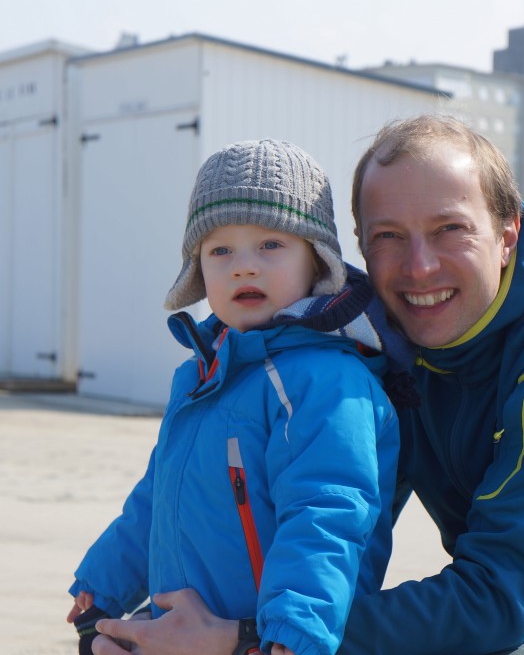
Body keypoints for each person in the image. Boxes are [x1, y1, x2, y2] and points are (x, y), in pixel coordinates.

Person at [88, 116, 524, 655]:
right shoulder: (387, 346)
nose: (418, 268)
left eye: (450, 229)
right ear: (357, 245)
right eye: (389, 236)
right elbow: (340, 519)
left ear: (507, 234)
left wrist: (249, 639)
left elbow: (496, 595)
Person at [67, 139, 403, 655]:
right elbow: (158, 498)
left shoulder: (326, 381)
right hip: (181, 630)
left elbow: (328, 511)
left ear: (317, 263)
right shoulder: (202, 376)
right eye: (220, 250)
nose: (243, 266)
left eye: (271, 245)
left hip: (264, 637)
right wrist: (103, 584)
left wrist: (291, 634)